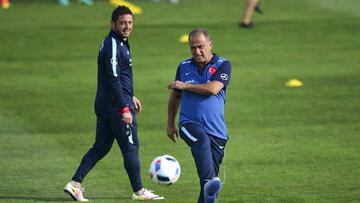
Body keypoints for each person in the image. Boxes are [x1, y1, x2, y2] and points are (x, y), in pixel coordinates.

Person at [63, 5, 163, 202]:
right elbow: (113, 77)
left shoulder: (119, 42)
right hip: (116, 106)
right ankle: (139, 191)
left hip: (109, 103)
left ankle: (75, 184)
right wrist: (124, 107)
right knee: (131, 148)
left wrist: (131, 95)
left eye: (130, 23)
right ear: (112, 24)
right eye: (123, 23)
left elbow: (119, 76)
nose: (127, 26)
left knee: (101, 146)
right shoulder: (113, 44)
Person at [167, 28, 231, 203]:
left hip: (217, 133)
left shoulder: (223, 65)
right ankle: (209, 180)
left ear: (210, 44)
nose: (197, 51)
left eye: (200, 47)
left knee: (209, 191)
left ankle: (209, 185)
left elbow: (213, 89)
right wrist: (170, 123)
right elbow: (175, 96)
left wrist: (185, 85)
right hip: (189, 124)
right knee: (201, 142)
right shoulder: (184, 66)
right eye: (193, 47)